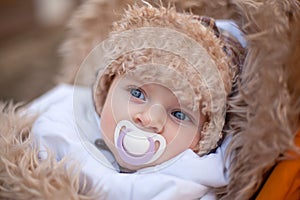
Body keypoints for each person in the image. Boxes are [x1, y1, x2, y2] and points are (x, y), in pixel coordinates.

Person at [30, 4, 245, 199]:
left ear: (206, 139)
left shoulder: (195, 179)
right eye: (138, 94)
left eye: (179, 114)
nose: (149, 119)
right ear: (106, 91)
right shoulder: (67, 113)